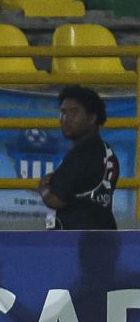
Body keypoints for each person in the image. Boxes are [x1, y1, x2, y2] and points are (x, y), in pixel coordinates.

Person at [37, 85, 119, 230]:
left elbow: (55, 200)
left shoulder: (81, 154)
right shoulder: (106, 151)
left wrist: (43, 187)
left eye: (73, 112)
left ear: (92, 118)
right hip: (104, 233)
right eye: (62, 113)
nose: (65, 119)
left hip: (78, 240)